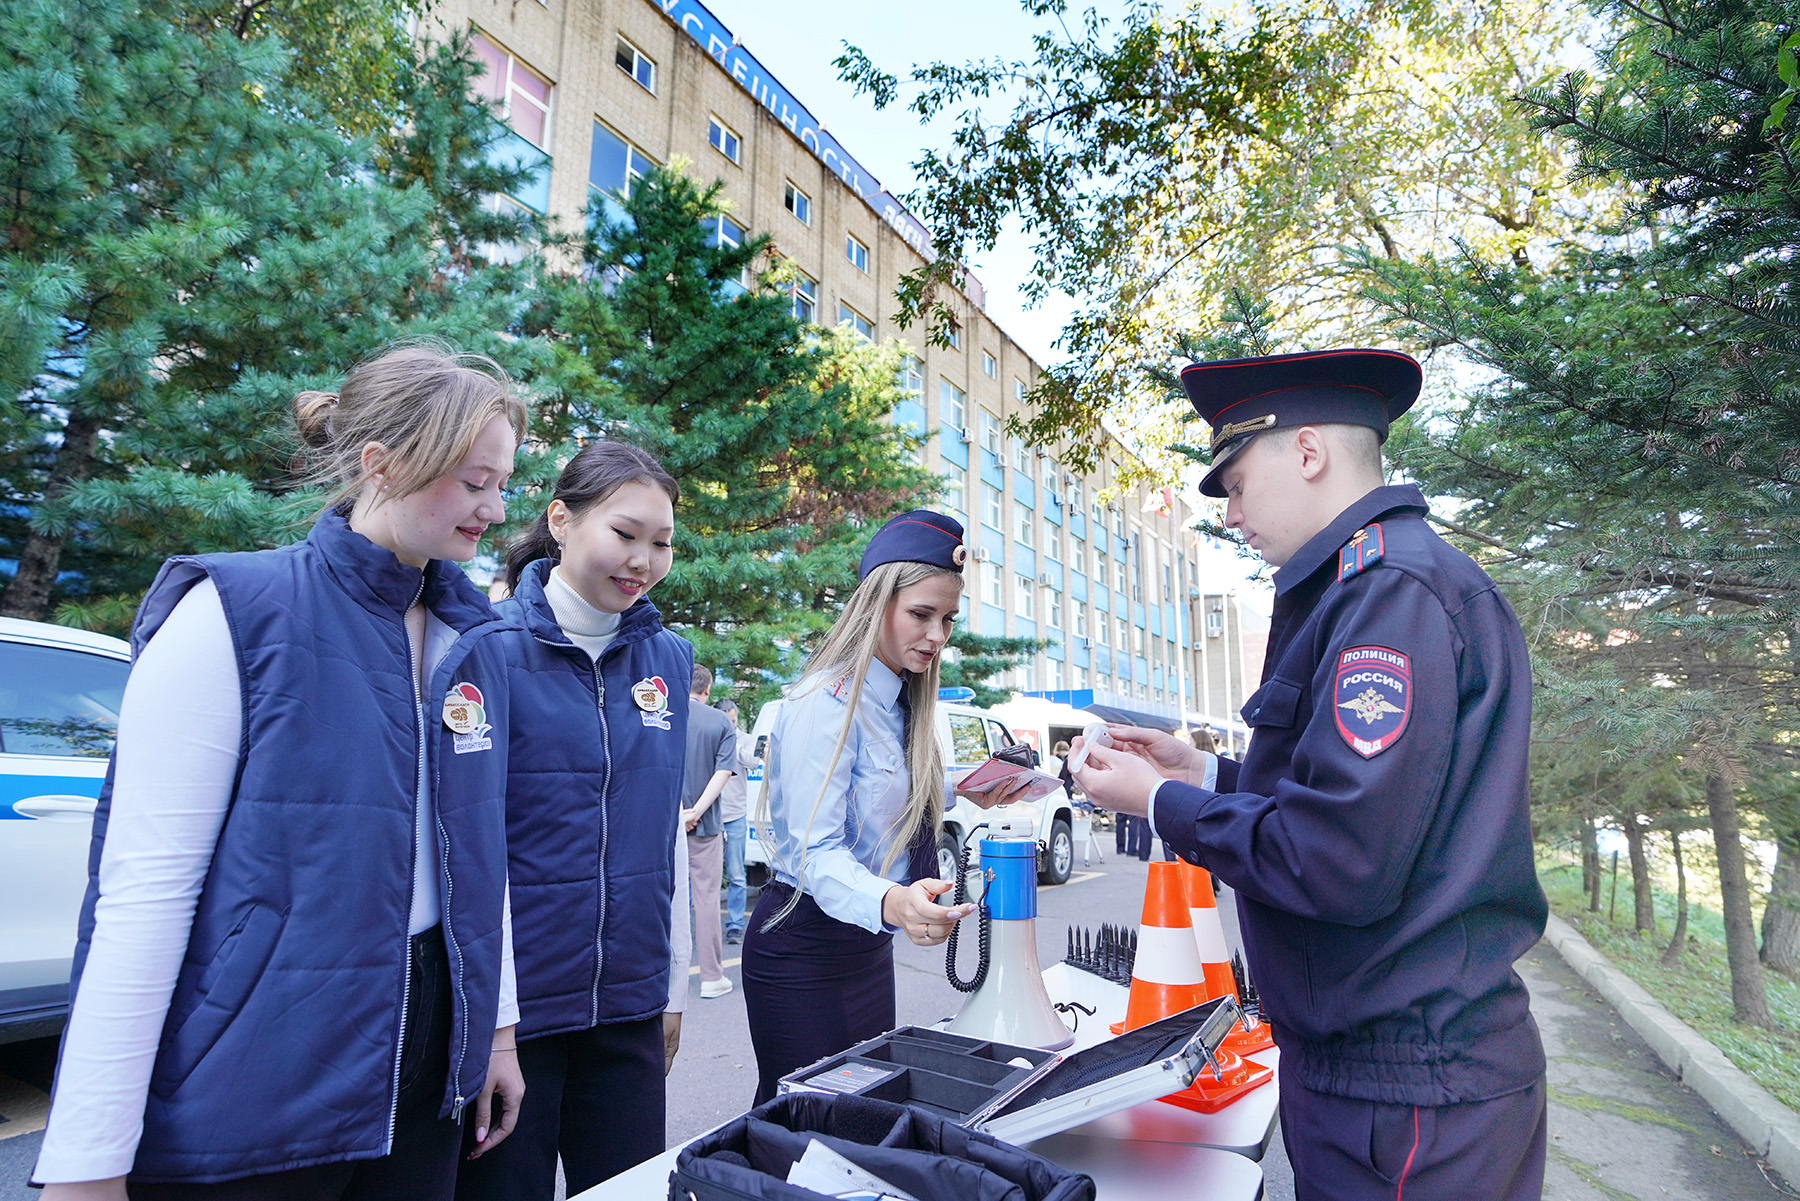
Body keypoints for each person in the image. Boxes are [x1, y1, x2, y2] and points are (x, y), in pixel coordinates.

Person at [33, 345, 529, 1200]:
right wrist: (88, 1159)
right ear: (381, 463)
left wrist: (497, 1031)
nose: (495, 508)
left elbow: (481, 856)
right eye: (474, 481)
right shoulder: (232, 612)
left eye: (504, 482)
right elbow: (145, 893)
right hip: (256, 1080)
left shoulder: (472, 639)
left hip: (425, 1075)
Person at [1072, 348, 1547, 1201]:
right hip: (1388, 1072)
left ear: (1308, 451)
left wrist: (1160, 801)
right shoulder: (1370, 585)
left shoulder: (1389, 594)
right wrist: (1203, 771)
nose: (1231, 514)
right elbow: (1350, 799)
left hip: (1405, 1091)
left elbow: (1335, 856)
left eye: (1237, 483)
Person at [456, 442, 691, 1201]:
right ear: (561, 519)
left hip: (629, 1009)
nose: (644, 561)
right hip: (516, 1021)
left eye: (662, 543)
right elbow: (470, 851)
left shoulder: (669, 661)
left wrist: (671, 990)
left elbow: (666, 835)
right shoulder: (487, 649)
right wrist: (495, 1026)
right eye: (625, 533)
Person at [741, 510, 1021, 1104]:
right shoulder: (826, 700)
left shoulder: (900, 699)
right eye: (922, 614)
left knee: (866, 1114)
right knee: (808, 1124)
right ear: (876, 604)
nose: (938, 636)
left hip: (865, 945)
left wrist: (963, 789)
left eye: (948, 619)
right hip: (805, 948)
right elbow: (814, 852)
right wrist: (894, 901)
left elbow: (879, 797)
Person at [683, 665, 739, 999]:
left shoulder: (663, 716)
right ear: (707, 690)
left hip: (665, 827)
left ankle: (662, 978)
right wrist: (696, 811)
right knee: (706, 901)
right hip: (705, 828)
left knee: (663, 901)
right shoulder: (721, 722)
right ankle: (711, 977)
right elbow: (723, 772)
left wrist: (678, 813)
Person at [714, 698, 756, 945]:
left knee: (737, 874)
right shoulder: (711, 736)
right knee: (702, 875)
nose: (732, 725)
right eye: (727, 721)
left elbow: (755, 760)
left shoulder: (746, 739)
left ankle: (735, 925)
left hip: (735, 817)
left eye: (734, 720)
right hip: (710, 816)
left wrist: (733, 744)